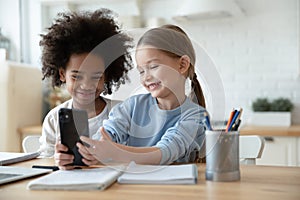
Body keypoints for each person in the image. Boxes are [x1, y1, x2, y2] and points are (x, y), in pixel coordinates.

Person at [58, 24, 208, 169]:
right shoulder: (133, 105)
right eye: (142, 71)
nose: (146, 77)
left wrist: (116, 152)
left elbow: (166, 151)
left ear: (182, 65)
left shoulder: (196, 116)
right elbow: (107, 134)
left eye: (153, 66)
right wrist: (82, 153)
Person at [38, 8, 133, 159]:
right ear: (62, 74)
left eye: (96, 77)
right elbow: (45, 161)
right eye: (77, 76)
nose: (87, 85)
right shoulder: (54, 118)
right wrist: (57, 160)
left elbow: (135, 156)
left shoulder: (123, 112)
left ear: (106, 76)